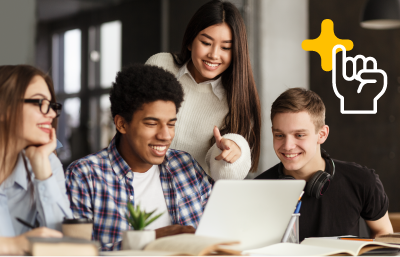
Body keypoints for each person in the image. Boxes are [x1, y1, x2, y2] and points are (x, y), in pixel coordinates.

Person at [65, 64, 214, 251]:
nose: (165, 135)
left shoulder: (185, 166)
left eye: (171, 124)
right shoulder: (85, 175)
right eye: (152, 123)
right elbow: (74, 252)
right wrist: (151, 239)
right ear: (121, 124)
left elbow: (219, 231)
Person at [255, 87, 393, 240]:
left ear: (322, 134)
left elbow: (384, 235)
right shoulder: (257, 189)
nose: (287, 145)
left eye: (299, 135)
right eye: (279, 135)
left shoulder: (363, 181)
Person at [145, 0, 261, 180]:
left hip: (191, 199)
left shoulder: (237, 99)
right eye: (206, 43)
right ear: (190, 41)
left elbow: (225, 177)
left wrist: (234, 154)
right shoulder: (160, 65)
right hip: (140, 185)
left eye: (225, 47)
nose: (214, 55)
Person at [0, 65, 72, 255]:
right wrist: (14, 244)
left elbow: (65, 246)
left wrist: (42, 169)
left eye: (52, 105)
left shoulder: (49, 163)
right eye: (40, 102)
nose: (51, 114)